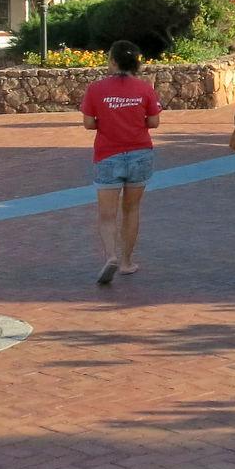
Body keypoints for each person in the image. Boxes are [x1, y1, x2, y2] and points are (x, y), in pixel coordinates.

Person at [79, 40, 161, 286]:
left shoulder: (96, 89)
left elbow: (88, 123)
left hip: (107, 154)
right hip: (139, 153)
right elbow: (154, 122)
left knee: (106, 214)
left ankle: (111, 256)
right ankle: (127, 261)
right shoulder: (144, 88)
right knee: (131, 209)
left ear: (113, 61)